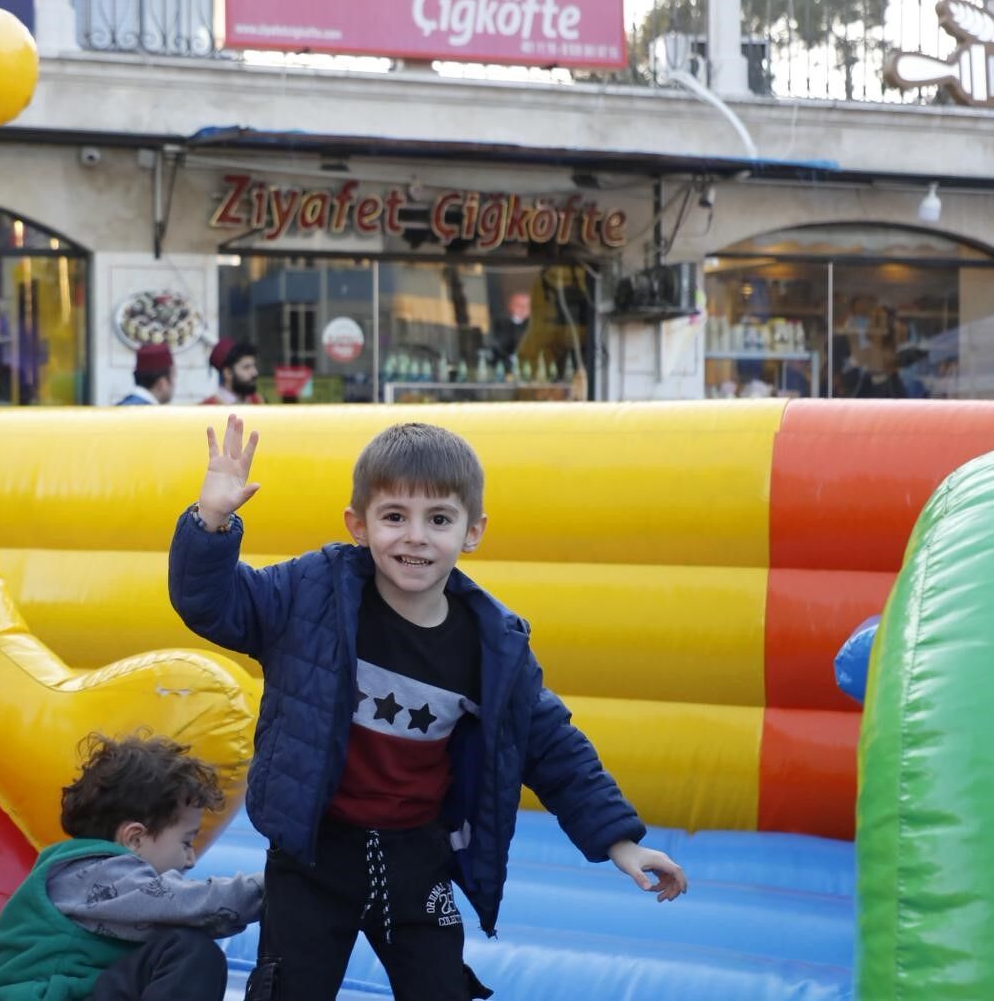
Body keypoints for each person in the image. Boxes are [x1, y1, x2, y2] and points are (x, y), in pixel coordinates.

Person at [168, 417, 687, 1001]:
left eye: (438, 519)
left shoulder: (491, 646)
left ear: (473, 531)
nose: (415, 537)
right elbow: (213, 605)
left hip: (416, 857)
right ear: (358, 525)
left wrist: (621, 841)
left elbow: (552, 748)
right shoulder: (309, 595)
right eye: (394, 517)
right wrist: (210, 521)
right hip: (313, 852)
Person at [0, 733, 264, 1001]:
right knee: (190, 953)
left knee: (184, 947)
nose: (190, 859)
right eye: (186, 842)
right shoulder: (92, 874)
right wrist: (270, 885)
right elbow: (185, 904)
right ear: (134, 838)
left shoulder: (110, 898)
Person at [200, 339, 262, 406]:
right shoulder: (208, 407)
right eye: (246, 367)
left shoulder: (258, 401)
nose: (255, 373)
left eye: (253, 366)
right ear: (228, 373)